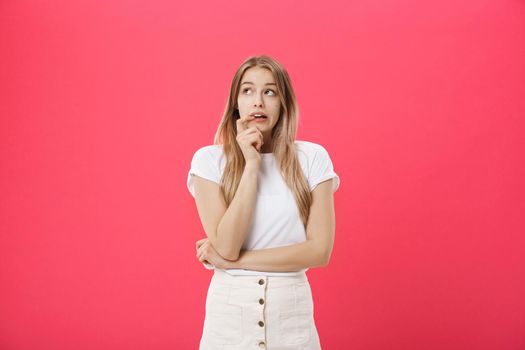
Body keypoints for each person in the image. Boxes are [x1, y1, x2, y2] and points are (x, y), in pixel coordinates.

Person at [187, 55, 340, 349]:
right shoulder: (208, 160)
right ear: (236, 103)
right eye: (248, 91)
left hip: (292, 319)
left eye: (270, 91)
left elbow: (319, 251)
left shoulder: (312, 158)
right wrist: (251, 164)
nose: (258, 101)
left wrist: (238, 262)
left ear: (283, 102)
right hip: (229, 322)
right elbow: (227, 246)